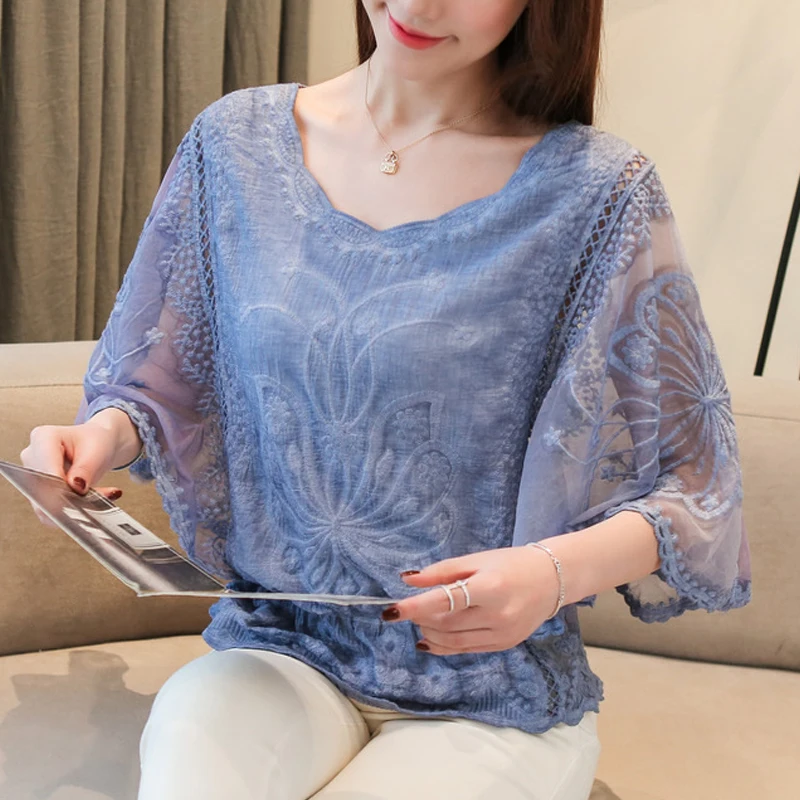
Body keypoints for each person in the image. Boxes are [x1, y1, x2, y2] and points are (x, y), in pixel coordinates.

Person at [21, 1, 752, 798]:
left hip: (487, 692)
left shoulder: (598, 194)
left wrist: (548, 574)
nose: (417, 4)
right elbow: (162, 374)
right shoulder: (233, 147)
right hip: (280, 652)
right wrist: (103, 435)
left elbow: (697, 486)